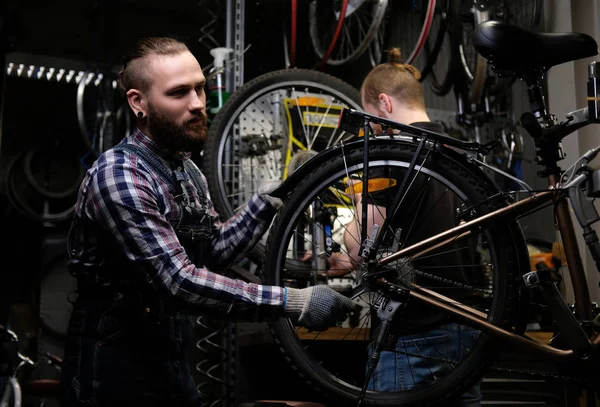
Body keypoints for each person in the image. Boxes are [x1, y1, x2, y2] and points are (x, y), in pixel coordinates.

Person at [60, 37, 356, 407]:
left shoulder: (187, 171)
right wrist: (293, 301)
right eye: (179, 93)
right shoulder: (120, 177)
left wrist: (269, 199)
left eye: (200, 87)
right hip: (114, 363)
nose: (198, 103)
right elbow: (180, 281)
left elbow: (212, 252)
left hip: (169, 352)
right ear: (139, 102)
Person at [324, 48, 483, 405]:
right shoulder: (460, 152)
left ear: (384, 103)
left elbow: (363, 242)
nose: (372, 125)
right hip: (469, 329)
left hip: (413, 334)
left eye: (370, 116)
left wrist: (357, 203)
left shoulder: (391, 150)